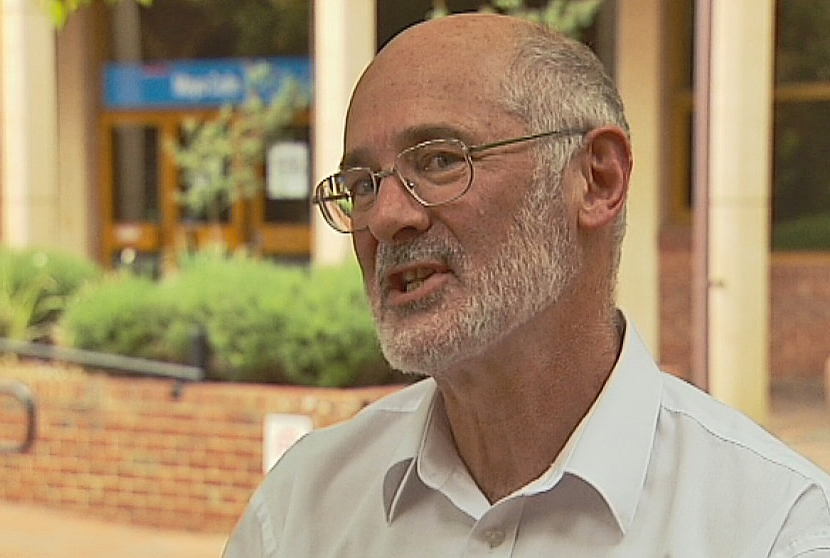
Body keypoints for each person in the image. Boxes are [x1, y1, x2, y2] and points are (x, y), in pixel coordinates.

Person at [223, 13, 830, 557]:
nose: (385, 217)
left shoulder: (776, 529)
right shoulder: (300, 510)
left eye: (439, 161)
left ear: (596, 180)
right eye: (361, 185)